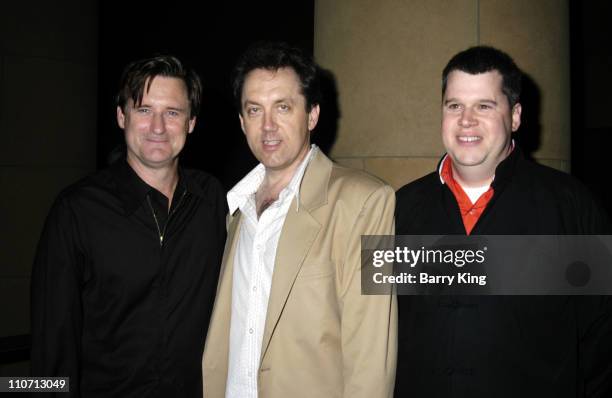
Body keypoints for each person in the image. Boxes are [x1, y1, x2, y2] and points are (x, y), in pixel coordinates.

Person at [394, 46, 612, 397]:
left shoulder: (571, 207)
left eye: (485, 105)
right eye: (454, 106)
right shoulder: (399, 207)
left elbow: (601, 339)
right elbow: (378, 329)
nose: (466, 120)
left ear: (515, 116)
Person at [202, 42, 397, 398]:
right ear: (242, 121)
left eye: (283, 107)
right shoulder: (235, 209)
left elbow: (370, 355)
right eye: (254, 110)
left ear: (312, 115)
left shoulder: (365, 202)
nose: (268, 126)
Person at [31, 55, 227, 397]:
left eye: (172, 112)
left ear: (192, 122)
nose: (157, 127)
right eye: (144, 109)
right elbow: (52, 343)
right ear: (122, 116)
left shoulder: (213, 202)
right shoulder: (77, 210)